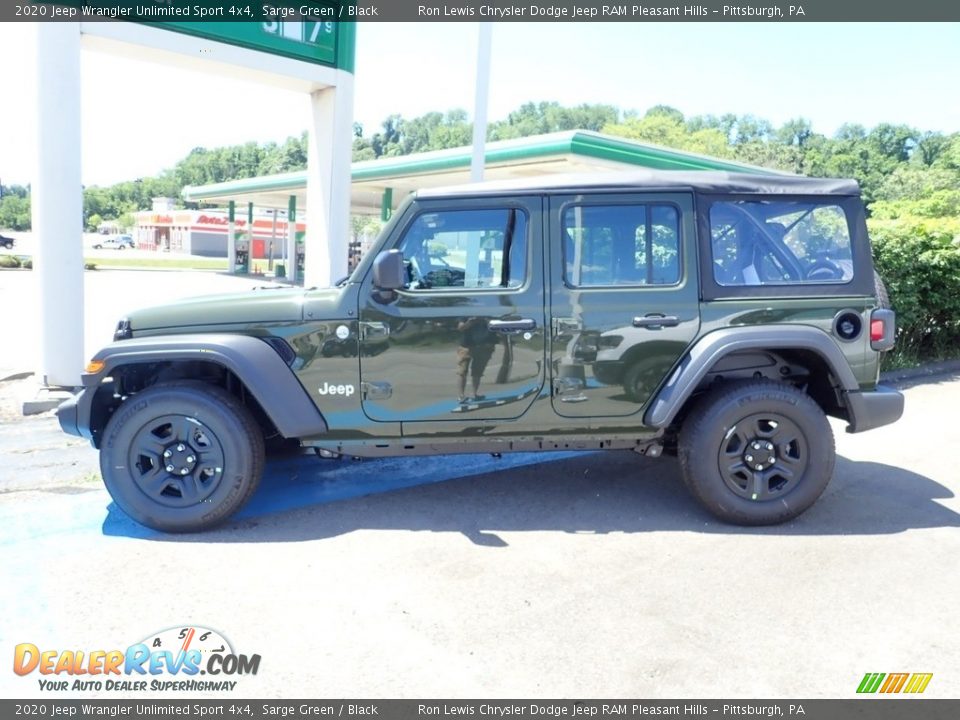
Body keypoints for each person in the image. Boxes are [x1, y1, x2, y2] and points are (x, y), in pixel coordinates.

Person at [456, 317, 497, 403]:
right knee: (462, 371)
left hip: (484, 346)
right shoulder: (467, 314)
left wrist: (488, 322)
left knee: (477, 372)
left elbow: (498, 328)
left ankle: (474, 394)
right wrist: (469, 323)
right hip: (466, 346)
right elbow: (460, 328)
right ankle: (461, 396)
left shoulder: (491, 315)